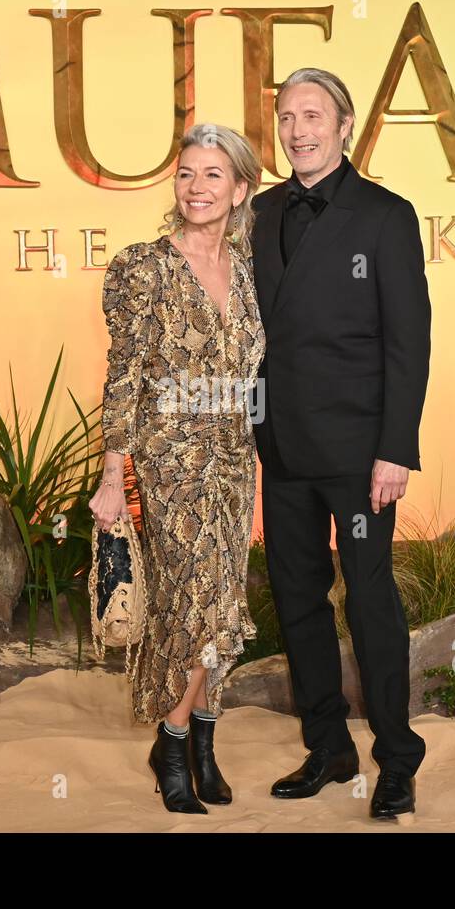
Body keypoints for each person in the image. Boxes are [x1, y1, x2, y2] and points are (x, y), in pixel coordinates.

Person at [250, 67, 431, 820]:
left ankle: (397, 761)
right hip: (281, 446)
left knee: (371, 603)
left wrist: (396, 449)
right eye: (287, 116)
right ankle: (328, 749)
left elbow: (408, 342)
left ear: (346, 124)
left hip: (360, 453)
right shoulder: (257, 212)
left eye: (313, 115)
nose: (298, 130)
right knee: (297, 602)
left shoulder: (386, 215)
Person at [89, 123, 266, 815]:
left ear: (240, 188)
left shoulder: (251, 269)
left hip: (233, 458)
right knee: (199, 600)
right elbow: (124, 376)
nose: (197, 186)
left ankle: (203, 737)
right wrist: (112, 477)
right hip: (170, 459)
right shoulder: (142, 266)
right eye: (187, 173)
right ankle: (170, 739)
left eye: (213, 175)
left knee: (225, 597)